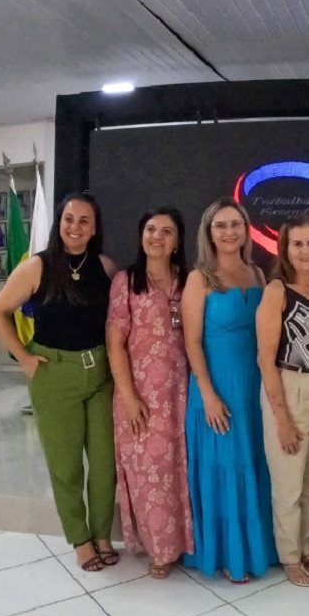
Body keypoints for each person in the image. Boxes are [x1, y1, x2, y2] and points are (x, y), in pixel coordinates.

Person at [0, 192, 118, 573]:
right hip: (54, 375)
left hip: (101, 375)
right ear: (59, 223)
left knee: (105, 464)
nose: (75, 227)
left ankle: (103, 534)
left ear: (94, 228)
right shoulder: (36, 267)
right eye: (68, 219)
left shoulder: (106, 268)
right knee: (66, 466)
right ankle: (80, 539)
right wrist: (24, 358)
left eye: (84, 221)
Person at [181, 197, 275, 583]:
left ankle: (257, 548)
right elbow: (191, 342)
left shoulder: (257, 273)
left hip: (254, 385)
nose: (229, 231)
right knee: (224, 468)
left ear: (246, 229)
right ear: (209, 232)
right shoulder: (199, 279)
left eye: (235, 223)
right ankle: (226, 553)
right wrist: (208, 395)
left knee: (253, 464)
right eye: (220, 225)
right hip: (216, 384)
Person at [106, 208, 194, 580]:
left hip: (183, 392)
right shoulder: (126, 281)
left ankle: (187, 544)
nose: (157, 237)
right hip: (140, 394)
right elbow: (114, 342)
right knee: (150, 474)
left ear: (177, 241)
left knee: (182, 470)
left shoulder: (189, 280)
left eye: (166, 231)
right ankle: (159, 549)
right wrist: (129, 397)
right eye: (151, 229)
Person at [256, 216, 309, 587]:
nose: (306, 251)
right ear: (285, 250)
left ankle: (306, 546)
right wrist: (282, 420)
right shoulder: (277, 291)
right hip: (289, 384)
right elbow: (265, 359)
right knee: (288, 482)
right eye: (298, 244)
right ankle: (289, 556)